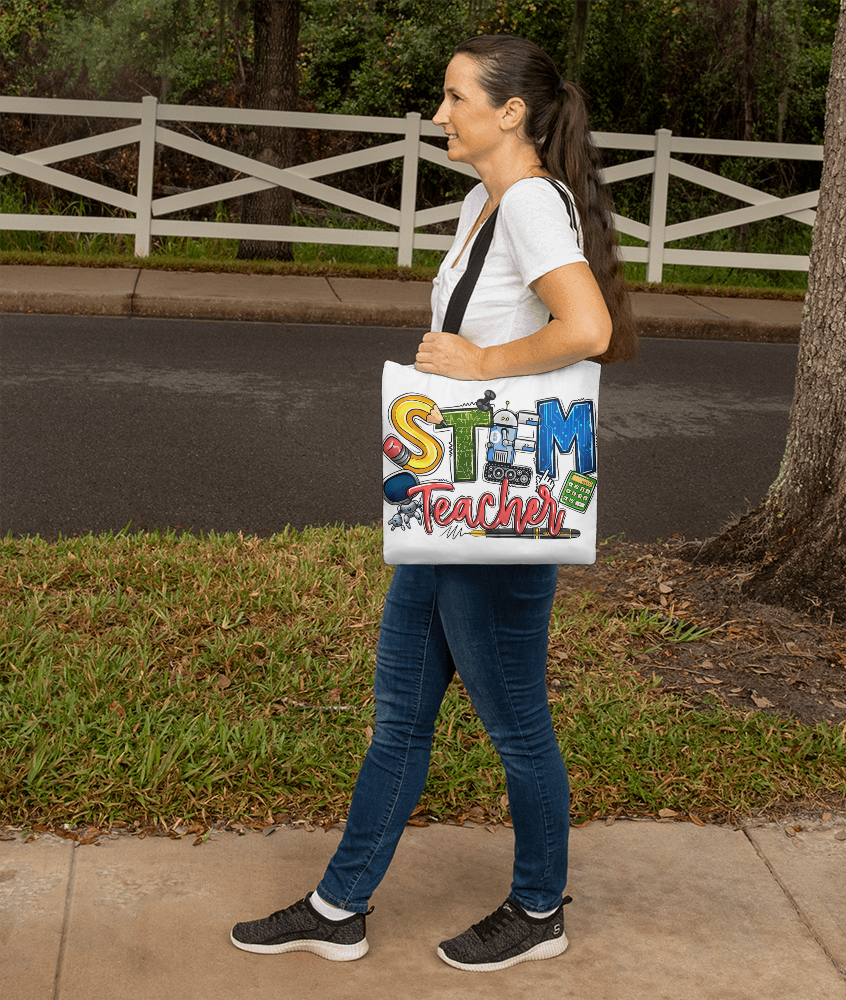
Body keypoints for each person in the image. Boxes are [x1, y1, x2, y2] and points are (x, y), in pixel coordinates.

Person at [230, 33, 636, 973]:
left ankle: (539, 911)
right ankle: (339, 907)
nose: (440, 114)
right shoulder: (481, 203)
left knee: (517, 725)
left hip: (496, 516)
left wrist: (486, 362)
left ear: (511, 114)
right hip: (451, 504)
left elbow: (589, 328)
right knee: (402, 717)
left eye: (455, 98)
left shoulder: (532, 202)